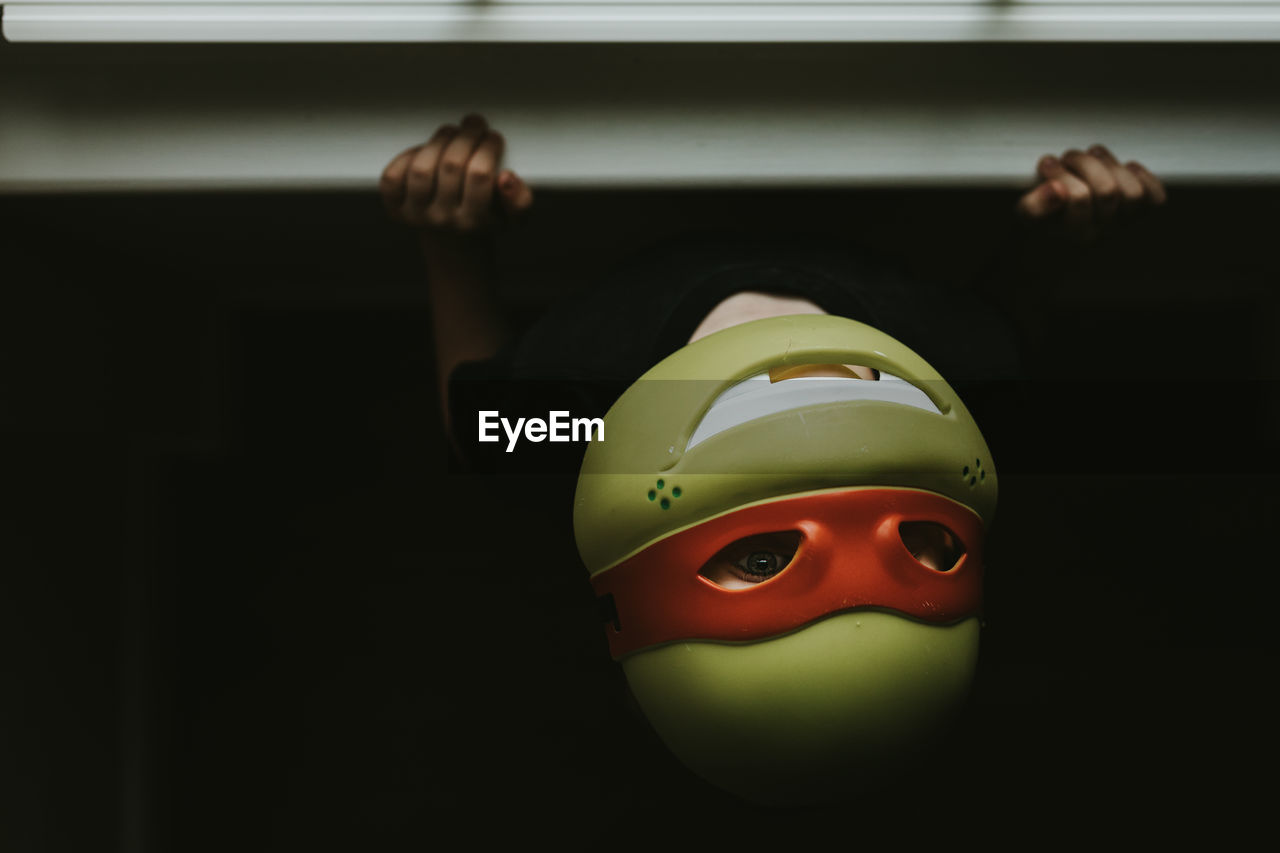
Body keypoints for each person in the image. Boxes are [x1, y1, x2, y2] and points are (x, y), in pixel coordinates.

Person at [378, 113, 1167, 471]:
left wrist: (450, 233)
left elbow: (474, 427)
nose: (803, 435)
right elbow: (1006, 326)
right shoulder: (969, 380)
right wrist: (1064, 225)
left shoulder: (586, 411)